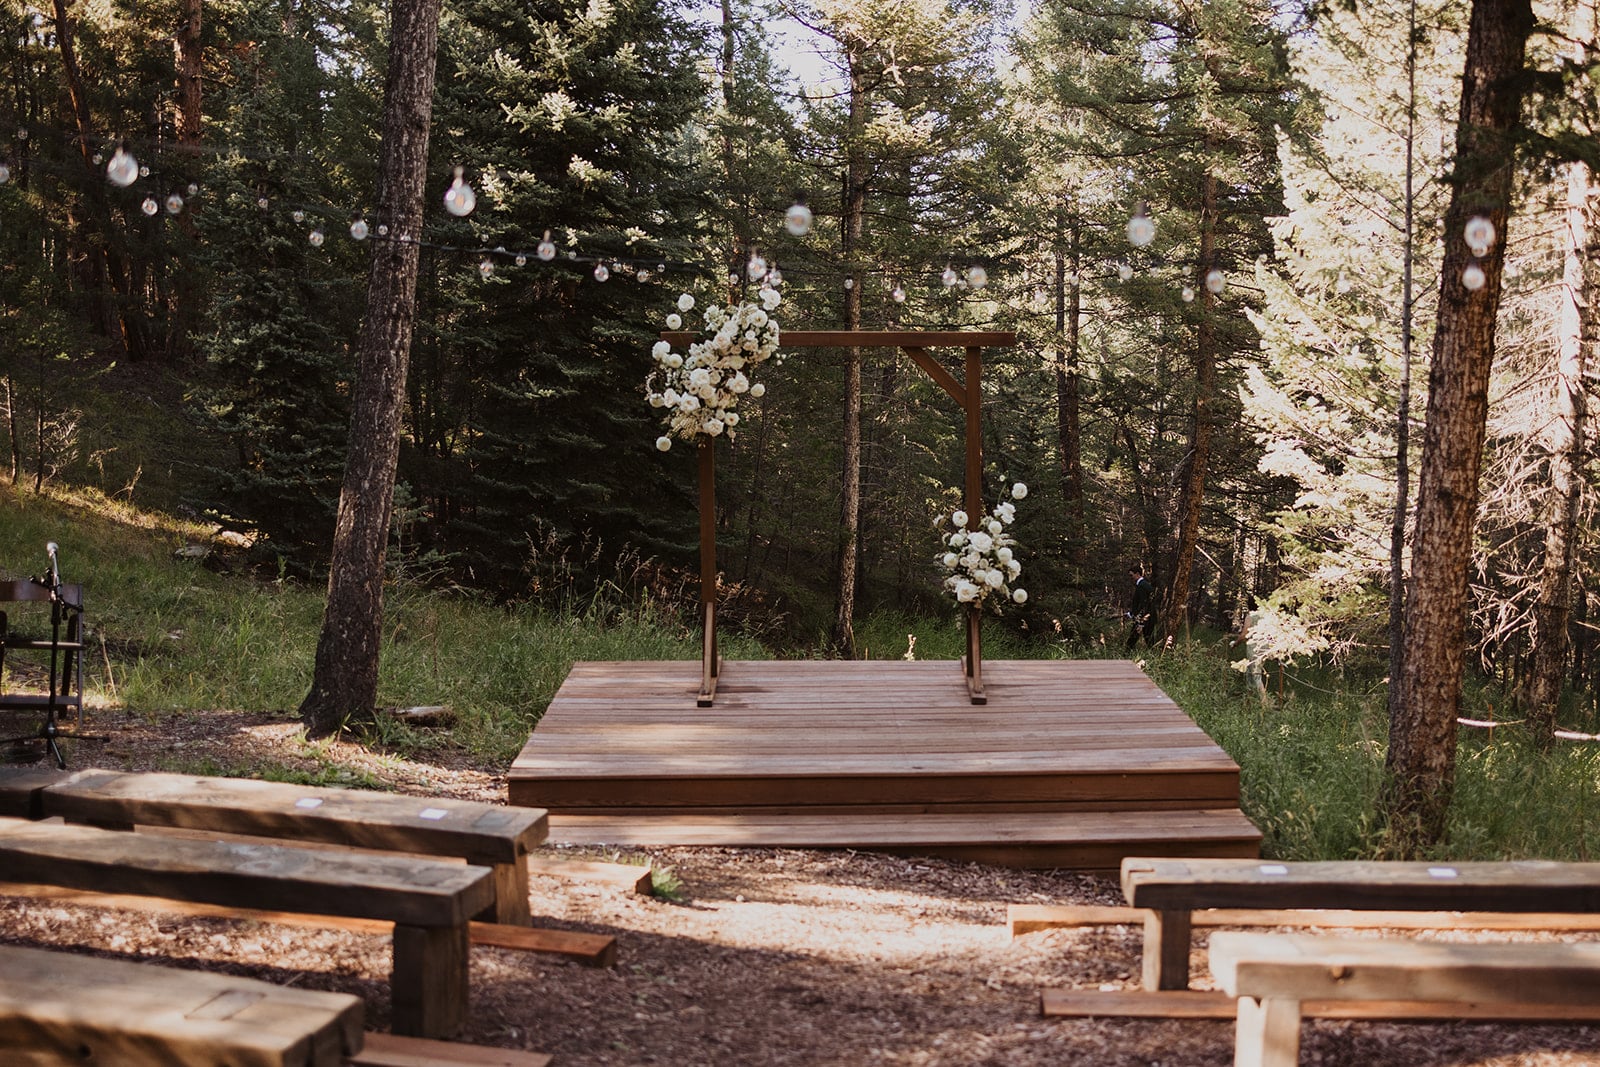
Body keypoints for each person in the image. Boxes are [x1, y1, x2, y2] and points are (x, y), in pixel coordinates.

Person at [1124, 566, 1155, 651]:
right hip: (1147, 616)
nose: (1131, 578)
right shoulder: (1144, 585)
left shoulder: (1142, 586)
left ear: (1137, 574)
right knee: (1148, 639)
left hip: (1144, 618)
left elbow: (1143, 603)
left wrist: (1138, 616)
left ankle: (1126, 655)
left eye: (1131, 575)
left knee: (1134, 638)